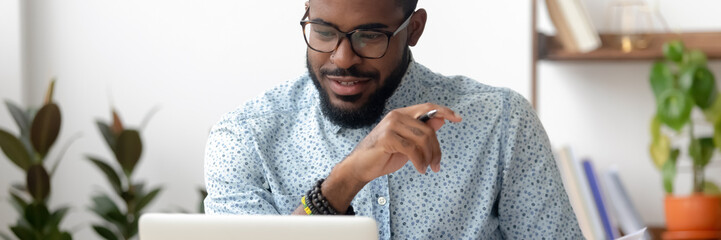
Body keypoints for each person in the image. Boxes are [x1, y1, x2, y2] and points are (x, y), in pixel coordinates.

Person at [204, 0, 583, 238]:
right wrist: (346, 179)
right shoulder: (244, 138)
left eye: (369, 36)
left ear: (414, 28)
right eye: (323, 31)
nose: (342, 58)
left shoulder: (500, 122)